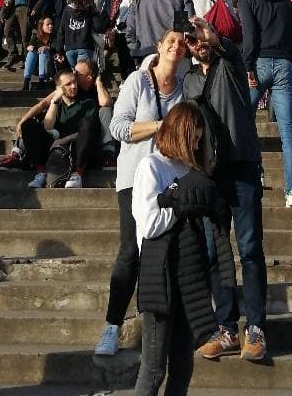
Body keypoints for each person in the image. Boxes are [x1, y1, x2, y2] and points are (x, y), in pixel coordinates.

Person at [93, 28, 187, 358]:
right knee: (130, 252)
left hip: (169, 179)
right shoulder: (137, 81)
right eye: (170, 41)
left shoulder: (184, 88)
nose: (177, 46)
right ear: (160, 47)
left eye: (181, 42)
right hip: (134, 178)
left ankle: (161, 328)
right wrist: (159, 127)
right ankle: (112, 325)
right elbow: (118, 127)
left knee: (165, 253)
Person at [132, 99, 234, 396]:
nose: (196, 144)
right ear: (178, 133)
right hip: (159, 276)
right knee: (153, 368)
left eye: (200, 140)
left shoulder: (192, 172)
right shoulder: (151, 166)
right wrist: (182, 207)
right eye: (193, 137)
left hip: (189, 276)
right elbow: (149, 224)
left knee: (183, 365)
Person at [184, 18, 268, 362]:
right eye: (192, 40)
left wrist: (213, 37)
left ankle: (257, 328)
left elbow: (231, 49)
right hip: (209, 175)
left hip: (242, 165)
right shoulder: (187, 80)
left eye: (201, 38)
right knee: (217, 254)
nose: (198, 43)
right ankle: (227, 328)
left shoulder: (228, 64)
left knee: (249, 248)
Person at [237, 0, 292, 206]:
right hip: (285, 64)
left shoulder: (246, 0)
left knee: (245, 121)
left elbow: (250, 35)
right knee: (287, 129)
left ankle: (256, 172)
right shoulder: (287, 5)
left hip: (258, 63)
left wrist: (247, 67)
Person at [24, 69, 101, 189]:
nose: (74, 86)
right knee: (28, 124)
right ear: (59, 88)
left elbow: (90, 130)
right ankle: (41, 173)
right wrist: (54, 101)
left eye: (75, 82)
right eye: (68, 84)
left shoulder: (88, 103)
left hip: (78, 149)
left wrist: (64, 140)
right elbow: (48, 127)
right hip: (54, 150)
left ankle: (78, 173)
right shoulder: (56, 105)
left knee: (88, 122)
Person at [126, 0, 195, 61]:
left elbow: (130, 30)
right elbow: (184, 29)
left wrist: (136, 52)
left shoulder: (139, 0)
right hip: (173, 53)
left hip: (146, 53)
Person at [56, 0, 104, 69]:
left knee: (75, 76)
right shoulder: (90, 9)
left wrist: (59, 50)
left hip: (69, 48)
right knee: (82, 77)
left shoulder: (67, 9)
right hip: (85, 46)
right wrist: (95, 10)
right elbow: (98, 27)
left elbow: (61, 30)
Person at [22, 13, 58, 91]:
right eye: (48, 24)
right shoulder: (36, 36)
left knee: (43, 52)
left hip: (50, 64)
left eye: (51, 24)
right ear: (41, 26)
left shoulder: (55, 36)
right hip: (36, 65)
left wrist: (47, 47)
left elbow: (57, 48)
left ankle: (41, 81)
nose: (50, 26)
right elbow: (29, 46)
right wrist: (29, 47)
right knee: (31, 53)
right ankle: (26, 82)